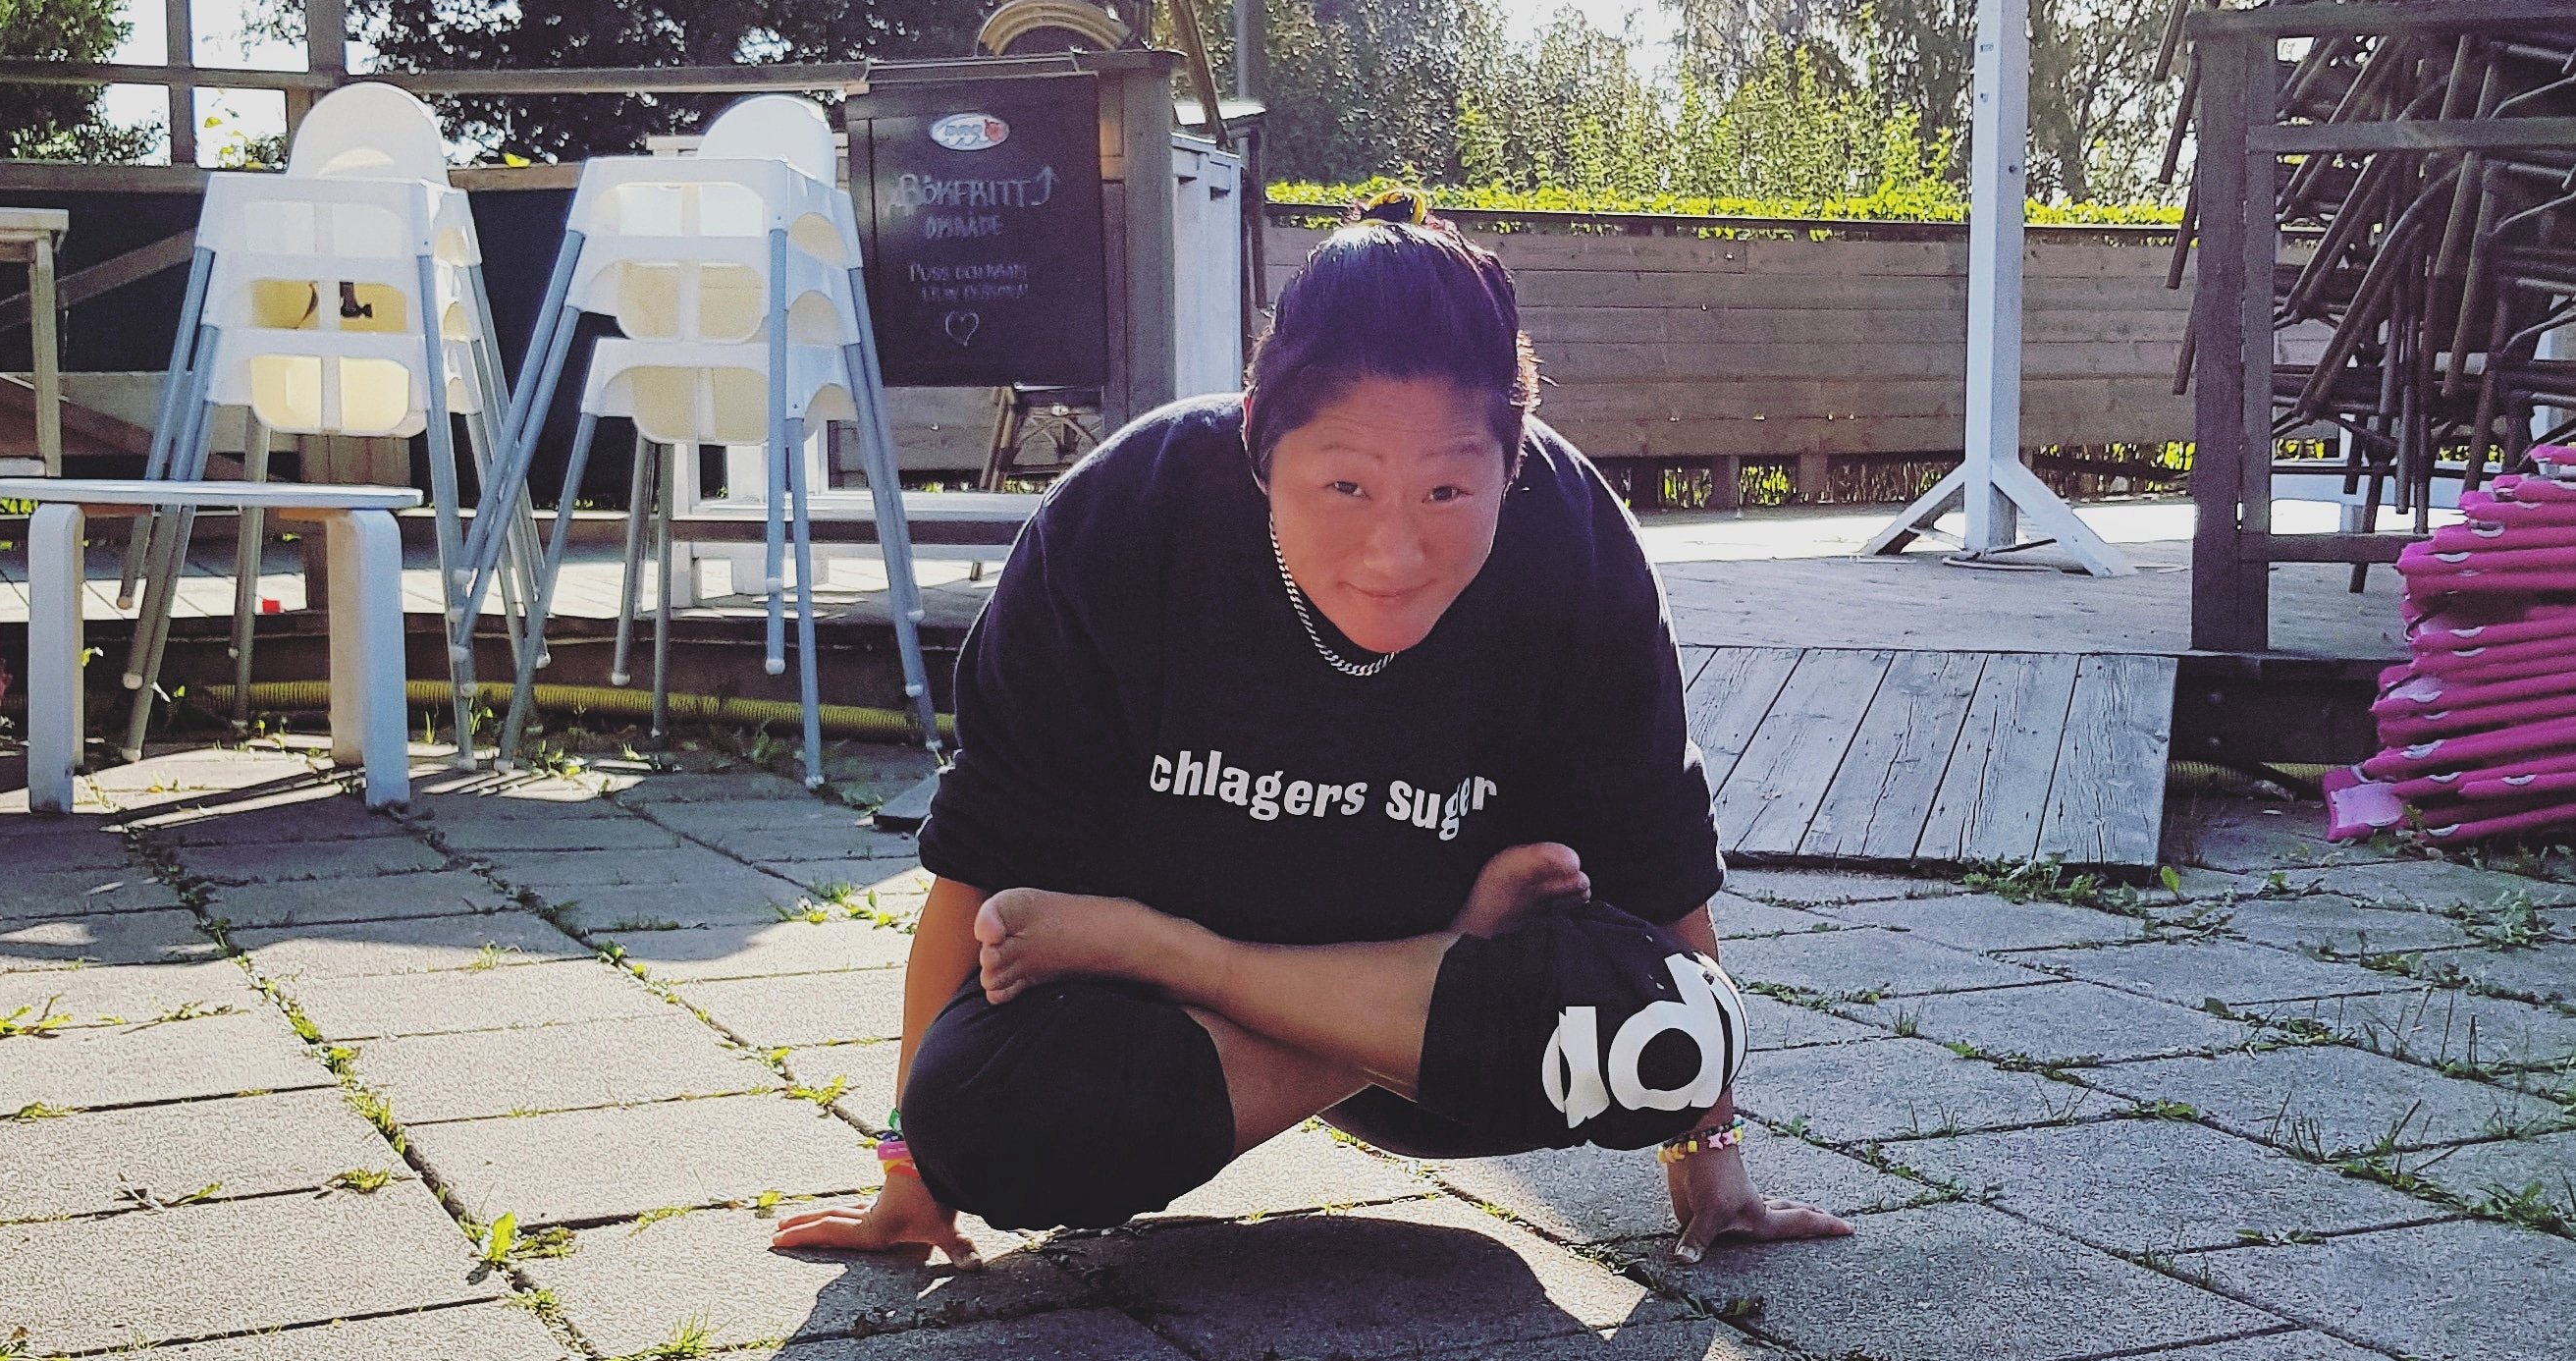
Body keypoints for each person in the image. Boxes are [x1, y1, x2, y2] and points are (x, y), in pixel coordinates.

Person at [776, 192, 1851, 1268]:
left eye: (1446, 490)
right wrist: (909, 1177)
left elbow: (1660, 875)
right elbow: (976, 863)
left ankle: (1214, 956)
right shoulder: (1125, 516)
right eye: (1345, 485)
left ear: (1510, 457)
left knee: (1674, 1025)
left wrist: (1709, 1159)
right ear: (1257, 437)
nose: (1395, 552)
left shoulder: (1574, 542)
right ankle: (1328, 968)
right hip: (1174, 1035)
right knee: (966, 1116)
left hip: (1438, 1054)